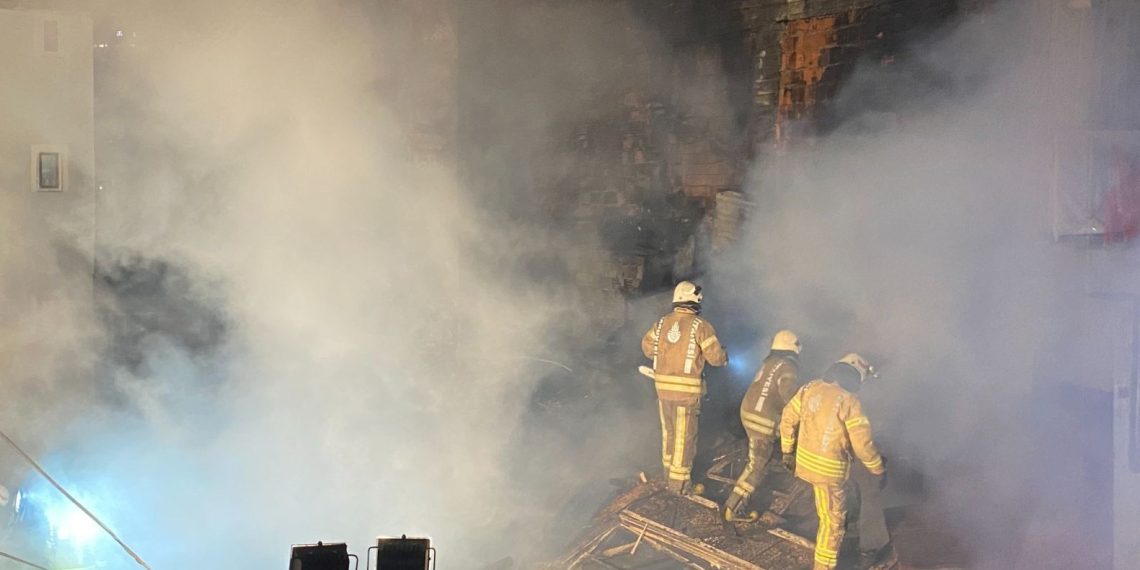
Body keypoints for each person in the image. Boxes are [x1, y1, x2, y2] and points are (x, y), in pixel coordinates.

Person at [779, 353, 886, 570]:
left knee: (827, 512)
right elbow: (863, 445)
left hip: (804, 464)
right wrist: (878, 469)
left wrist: (787, 451)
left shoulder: (810, 388)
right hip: (829, 472)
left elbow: (788, 418)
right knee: (832, 524)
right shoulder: (850, 401)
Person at [640, 281, 728, 493]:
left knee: (668, 434)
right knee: (683, 438)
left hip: (662, 390)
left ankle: (668, 473)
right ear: (695, 299)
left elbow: (647, 348)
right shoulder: (701, 326)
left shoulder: (661, 324)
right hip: (685, 395)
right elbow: (716, 358)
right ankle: (679, 485)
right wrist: (725, 356)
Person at [723, 329, 802, 521]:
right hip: (764, 421)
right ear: (793, 348)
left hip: (748, 413)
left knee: (755, 459)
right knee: (757, 464)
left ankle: (735, 503)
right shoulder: (789, 368)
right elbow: (789, 397)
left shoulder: (769, 362)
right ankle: (733, 507)